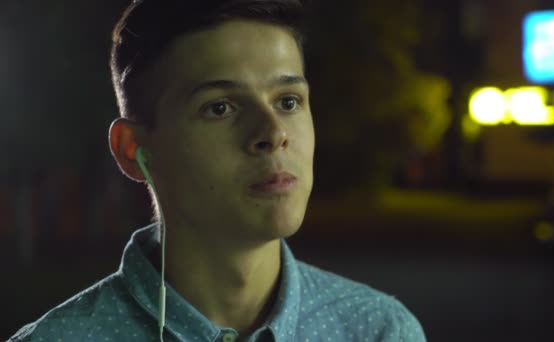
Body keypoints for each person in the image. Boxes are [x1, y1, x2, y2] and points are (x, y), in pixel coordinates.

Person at [10, 0, 426, 341]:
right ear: (134, 149)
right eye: (220, 107)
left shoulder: (379, 331)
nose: (273, 133)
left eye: (288, 101)